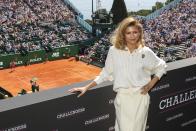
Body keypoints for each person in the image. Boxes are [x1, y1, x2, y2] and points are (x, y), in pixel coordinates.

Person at [68, 17, 167, 131]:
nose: (132, 35)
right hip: (123, 99)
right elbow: (106, 73)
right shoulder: (113, 51)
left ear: (140, 33)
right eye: (128, 33)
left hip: (140, 98)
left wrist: (151, 84)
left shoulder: (145, 51)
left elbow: (162, 66)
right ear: (123, 34)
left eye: (135, 32)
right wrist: (86, 87)